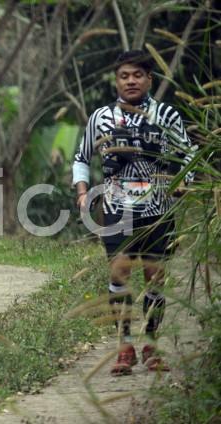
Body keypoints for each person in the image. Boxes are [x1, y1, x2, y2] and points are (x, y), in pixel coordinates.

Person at [73, 50, 195, 376]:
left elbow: (189, 155)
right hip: (116, 209)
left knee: (155, 276)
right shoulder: (100, 117)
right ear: (117, 80)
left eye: (137, 75)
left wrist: (185, 183)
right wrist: (83, 192)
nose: (131, 81)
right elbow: (81, 157)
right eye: (124, 76)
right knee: (119, 273)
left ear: (149, 79)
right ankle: (125, 346)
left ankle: (152, 345)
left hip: (158, 208)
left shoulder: (166, 115)